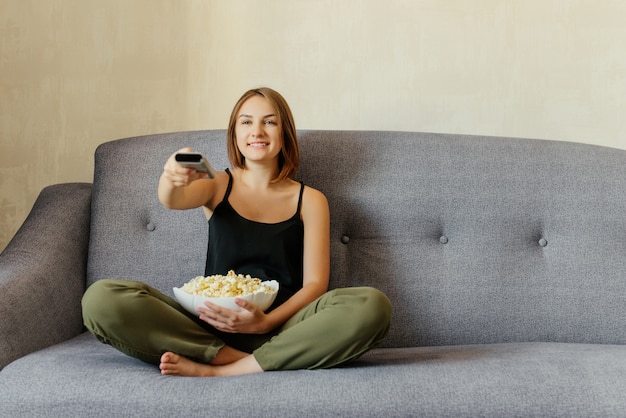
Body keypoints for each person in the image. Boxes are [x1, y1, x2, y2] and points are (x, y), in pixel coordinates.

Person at [81, 87, 392, 377]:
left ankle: (224, 369)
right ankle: (228, 357)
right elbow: (173, 200)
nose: (257, 131)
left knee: (371, 305)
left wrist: (265, 322)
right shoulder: (217, 183)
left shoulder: (310, 200)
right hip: (208, 324)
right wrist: (171, 175)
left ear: (284, 133)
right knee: (102, 298)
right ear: (235, 133)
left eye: (269, 122)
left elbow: (314, 285)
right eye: (246, 122)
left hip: (284, 327)